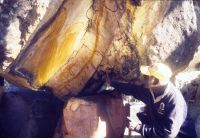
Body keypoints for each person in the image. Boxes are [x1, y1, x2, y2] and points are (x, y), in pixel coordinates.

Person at [107, 63, 197, 138]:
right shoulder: (151, 90)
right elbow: (133, 89)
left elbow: (168, 133)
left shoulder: (174, 101)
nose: (144, 77)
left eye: (147, 76)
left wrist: (139, 127)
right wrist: (112, 83)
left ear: (155, 81)